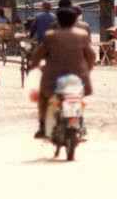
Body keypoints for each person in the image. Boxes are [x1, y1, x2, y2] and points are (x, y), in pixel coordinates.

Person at [28, 7, 96, 138]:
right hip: (79, 77)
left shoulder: (50, 36)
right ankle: (80, 122)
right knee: (79, 97)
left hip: (53, 77)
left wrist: (34, 67)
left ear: (58, 20)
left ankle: (42, 126)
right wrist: (87, 69)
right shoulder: (83, 35)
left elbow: (38, 55)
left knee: (43, 98)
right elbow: (91, 55)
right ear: (75, 20)